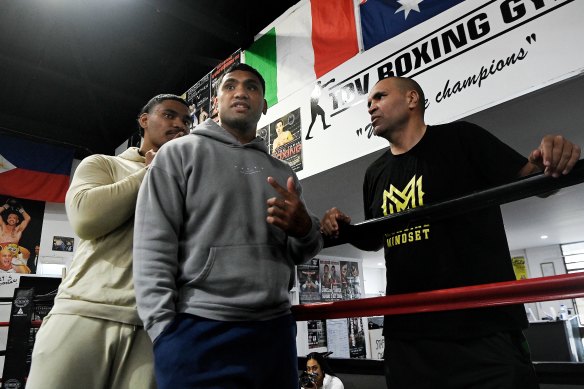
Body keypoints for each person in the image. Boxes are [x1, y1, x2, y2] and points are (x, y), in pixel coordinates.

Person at [320, 76, 581, 389]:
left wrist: (551, 161)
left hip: (482, 330)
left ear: (412, 99)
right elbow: (376, 238)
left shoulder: (461, 138)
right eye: (369, 103)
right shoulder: (375, 172)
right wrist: (340, 228)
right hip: (409, 339)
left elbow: (530, 180)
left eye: (379, 97)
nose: (371, 107)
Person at [133, 63, 323, 389]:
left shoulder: (282, 173)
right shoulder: (178, 154)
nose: (240, 92)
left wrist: (305, 227)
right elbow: (152, 246)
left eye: (251, 87)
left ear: (263, 104)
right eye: (230, 85)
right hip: (197, 331)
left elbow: (298, 252)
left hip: (274, 332)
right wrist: (163, 331)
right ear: (216, 102)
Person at [26, 94, 191, 389]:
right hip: (83, 312)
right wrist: (151, 173)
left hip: (152, 326)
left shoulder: (189, 186)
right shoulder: (104, 164)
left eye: (186, 120)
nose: (179, 124)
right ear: (144, 121)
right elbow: (86, 219)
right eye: (169, 115)